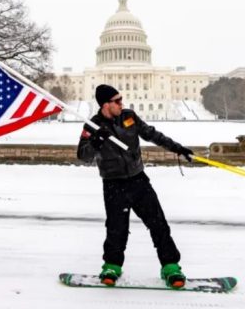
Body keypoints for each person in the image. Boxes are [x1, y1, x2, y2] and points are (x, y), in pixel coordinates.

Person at [77, 84, 194, 288]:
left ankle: (170, 267)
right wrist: (97, 141)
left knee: (158, 224)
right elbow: (83, 156)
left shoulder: (128, 116)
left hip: (138, 180)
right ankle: (111, 266)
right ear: (106, 104)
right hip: (113, 184)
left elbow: (152, 134)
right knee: (116, 229)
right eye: (117, 101)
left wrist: (177, 148)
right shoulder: (92, 125)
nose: (122, 103)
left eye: (121, 99)